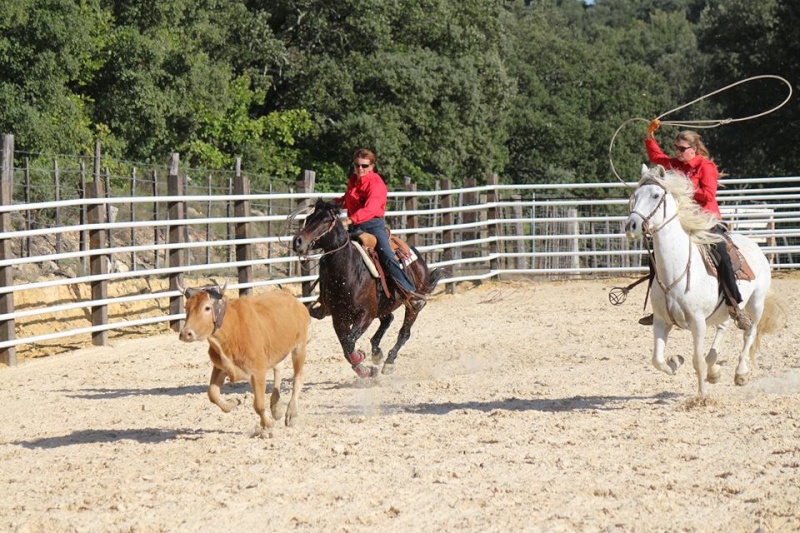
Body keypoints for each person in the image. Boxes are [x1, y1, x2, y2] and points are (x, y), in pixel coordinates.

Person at [639, 119, 752, 330]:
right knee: (657, 255)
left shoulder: (706, 167)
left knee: (721, 253)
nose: (678, 152)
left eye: (682, 149)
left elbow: (708, 194)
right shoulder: (676, 164)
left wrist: (684, 188)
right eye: (676, 148)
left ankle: (734, 304)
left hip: (706, 219)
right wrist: (650, 135)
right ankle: (660, 307)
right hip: (682, 220)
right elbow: (656, 157)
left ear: (694, 149)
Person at [334, 148, 427, 312]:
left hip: (372, 225)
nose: (360, 169)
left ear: (372, 166)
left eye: (364, 165)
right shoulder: (353, 181)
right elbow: (346, 199)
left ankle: (409, 293)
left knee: (387, 256)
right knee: (334, 250)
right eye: (357, 165)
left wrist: (349, 220)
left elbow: (371, 209)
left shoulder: (377, 184)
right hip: (354, 226)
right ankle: (328, 297)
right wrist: (329, 206)